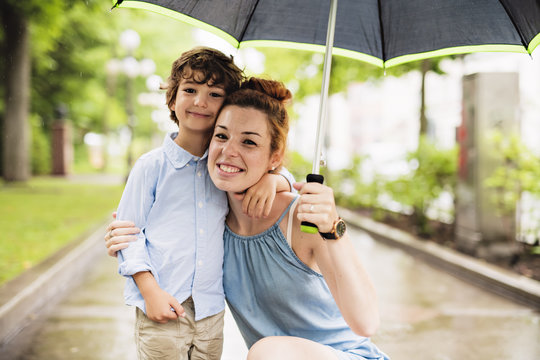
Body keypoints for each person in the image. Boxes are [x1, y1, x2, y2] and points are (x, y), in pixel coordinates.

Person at [107, 77, 389, 360]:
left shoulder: (302, 220)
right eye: (221, 135)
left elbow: (366, 323)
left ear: (274, 157)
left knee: (268, 351)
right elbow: (156, 226)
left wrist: (332, 229)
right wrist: (125, 235)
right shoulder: (213, 224)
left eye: (249, 142)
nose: (229, 151)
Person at [113, 48, 294, 360]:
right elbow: (128, 236)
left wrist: (274, 180)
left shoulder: (226, 167)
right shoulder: (152, 166)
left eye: (214, 94)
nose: (200, 101)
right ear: (172, 100)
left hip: (210, 309)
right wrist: (150, 292)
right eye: (190, 90)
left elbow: (281, 172)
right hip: (162, 304)